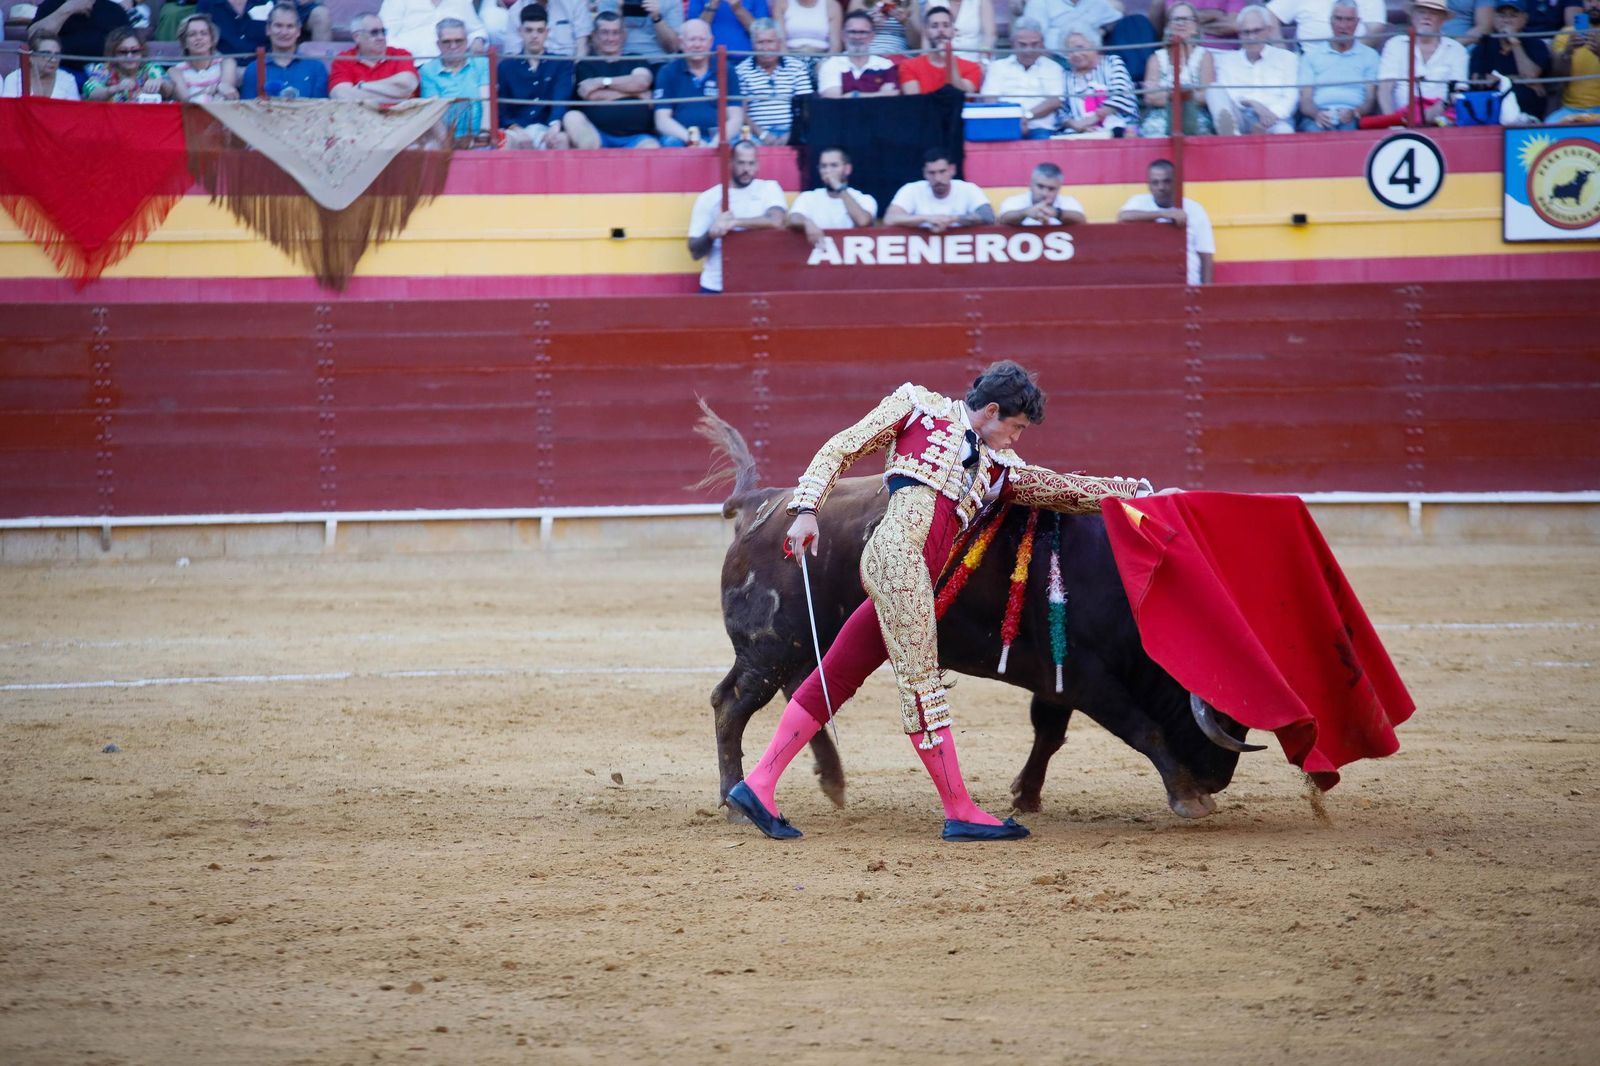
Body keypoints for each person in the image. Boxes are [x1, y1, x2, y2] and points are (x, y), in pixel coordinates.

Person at [726, 360, 1155, 842]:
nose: (1016, 439)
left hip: (911, 575)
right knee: (922, 687)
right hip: (898, 563)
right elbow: (841, 448)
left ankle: (758, 785)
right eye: (1014, 428)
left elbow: (1062, 489)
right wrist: (806, 511)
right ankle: (960, 809)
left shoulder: (998, 467)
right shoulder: (915, 407)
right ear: (991, 410)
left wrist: (1138, 494)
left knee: (838, 673)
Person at [687, 139, 788, 292]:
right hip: (716, 285)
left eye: (751, 163)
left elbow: (776, 221)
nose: (746, 169)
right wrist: (711, 234)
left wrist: (734, 222)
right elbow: (694, 252)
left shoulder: (769, 188)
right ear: (730, 163)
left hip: (759, 284)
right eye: (741, 163)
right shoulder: (709, 198)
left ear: (758, 164)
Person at [564, 12, 660, 146]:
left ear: (623, 35)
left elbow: (642, 82)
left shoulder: (636, 59)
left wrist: (601, 82)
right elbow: (593, 96)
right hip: (597, 136)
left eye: (616, 33)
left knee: (652, 147)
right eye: (605, 32)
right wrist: (636, 93)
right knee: (572, 118)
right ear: (594, 35)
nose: (610, 38)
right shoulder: (585, 64)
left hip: (636, 138)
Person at [1119, 158, 1215, 285]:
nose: (1161, 187)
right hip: (1148, 286)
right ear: (1148, 185)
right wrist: (1164, 214)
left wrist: (1206, 291)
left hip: (1189, 285)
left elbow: (1205, 253)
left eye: (1167, 181)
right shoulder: (1139, 202)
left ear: (1176, 182)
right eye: (1155, 182)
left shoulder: (1195, 209)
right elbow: (1123, 216)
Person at [1207, 4, 1299, 133]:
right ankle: (1231, 136)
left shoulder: (1288, 58)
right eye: (1246, 32)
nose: (1251, 37)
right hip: (1241, 116)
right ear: (1239, 34)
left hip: (1275, 119)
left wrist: (1270, 116)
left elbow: (1291, 97)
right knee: (1214, 89)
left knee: (1284, 131)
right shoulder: (1227, 60)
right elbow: (1229, 93)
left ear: (1268, 30)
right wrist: (1252, 103)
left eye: (1256, 31)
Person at [653, 18, 743, 145]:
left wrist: (718, 141)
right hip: (682, 138)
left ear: (711, 42)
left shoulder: (727, 69)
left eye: (702, 39)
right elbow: (662, 120)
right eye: (692, 40)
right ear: (681, 43)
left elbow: (736, 118)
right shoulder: (668, 71)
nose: (697, 45)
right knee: (671, 143)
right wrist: (693, 139)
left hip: (720, 137)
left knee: (746, 146)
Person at [1378, 0, 1469, 123]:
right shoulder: (1395, 44)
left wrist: (1427, 115)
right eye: (1422, 12)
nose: (1427, 17)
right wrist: (1392, 124)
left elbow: (1458, 94)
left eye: (1433, 13)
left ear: (1443, 19)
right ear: (1413, 16)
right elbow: (1384, 90)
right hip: (1400, 121)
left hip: (1442, 120)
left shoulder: (1457, 50)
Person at [497, 4, 575, 148]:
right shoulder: (506, 67)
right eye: (529, 30)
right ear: (520, 32)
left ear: (547, 32)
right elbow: (502, 110)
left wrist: (554, 126)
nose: (534, 36)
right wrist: (516, 129)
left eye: (540, 30)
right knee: (506, 142)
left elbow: (561, 98)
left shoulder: (561, 63)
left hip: (547, 127)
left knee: (561, 140)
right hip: (516, 129)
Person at [1296, 0, 1379, 130]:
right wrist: (1317, 114)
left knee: (1350, 130)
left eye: (1349, 20)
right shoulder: (1311, 56)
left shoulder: (1370, 56)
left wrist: (1355, 112)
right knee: (1313, 131)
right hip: (1319, 115)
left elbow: (1370, 99)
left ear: (1357, 23)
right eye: (1338, 19)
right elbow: (1305, 101)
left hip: (1353, 115)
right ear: (1331, 21)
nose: (1343, 25)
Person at [1140, 1, 1216, 136]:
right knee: (1153, 130)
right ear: (1168, 26)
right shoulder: (1156, 58)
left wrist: (1167, 95)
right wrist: (1188, 94)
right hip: (1160, 118)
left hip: (1196, 115)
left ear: (1196, 27)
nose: (1181, 23)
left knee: (1199, 130)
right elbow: (1150, 97)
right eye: (1176, 19)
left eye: (1187, 19)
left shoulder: (1205, 56)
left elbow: (1207, 96)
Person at [981, 16, 1066, 137]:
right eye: (1022, 44)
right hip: (1005, 125)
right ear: (1013, 43)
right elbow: (990, 99)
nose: (1028, 50)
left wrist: (1025, 117)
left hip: (1040, 127)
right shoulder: (998, 67)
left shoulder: (1053, 68)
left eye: (1034, 44)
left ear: (1042, 43)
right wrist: (1012, 122)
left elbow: (1055, 102)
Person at [1468, 0, 1551, 120]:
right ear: (1494, 18)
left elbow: (1530, 76)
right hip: (1491, 114)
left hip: (1529, 115)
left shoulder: (1536, 44)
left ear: (1525, 18)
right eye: (1502, 15)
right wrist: (1514, 79)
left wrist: (1514, 42)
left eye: (1513, 15)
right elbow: (1477, 79)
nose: (1506, 20)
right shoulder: (1483, 46)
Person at [735, 18, 813, 144]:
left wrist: (791, 134)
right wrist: (763, 135)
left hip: (793, 131)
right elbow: (741, 112)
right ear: (752, 44)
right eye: (760, 42)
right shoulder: (741, 71)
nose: (766, 48)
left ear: (779, 43)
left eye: (770, 42)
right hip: (756, 134)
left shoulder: (797, 67)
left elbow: (806, 106)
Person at [787, 146, 878, 245]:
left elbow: (863, 221)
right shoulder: (808, 197)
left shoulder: (864, 199)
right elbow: (793, 218)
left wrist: (839, 188)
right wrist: (806, 223)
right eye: (823, 166)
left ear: (847, 169)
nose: (827, 170)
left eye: (834, 165)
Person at [421, 17, 490, 144]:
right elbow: (433, 113)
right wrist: (449, 143)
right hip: (444, 139)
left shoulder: (482, 64)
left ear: (466, 42)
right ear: (438, 45)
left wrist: (484, 134)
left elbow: (487, 103)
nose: (453, 46)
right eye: (447, 42)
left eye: (459, 41)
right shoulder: (427, 70)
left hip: (479, 135)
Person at [886, 148, 994, 230]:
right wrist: (927, 219)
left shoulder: (968, 189)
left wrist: (952, 219)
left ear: (952, 170)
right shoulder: (911, 190)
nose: (937, 178)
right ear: (924, 173)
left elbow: (988, 216)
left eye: (942, 172)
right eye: (932, 173)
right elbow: (890, 219)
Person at [1057, 30, 1138, 135]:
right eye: (1070, 51)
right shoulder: (1065, 76)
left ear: (1095, 46)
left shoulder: (1112, 63)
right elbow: (1061, 111)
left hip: (1119, 127)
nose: (1076, 54)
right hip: (1078, 132)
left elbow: (1121, 95)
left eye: (1080, 48)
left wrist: (1090, 120)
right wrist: (1077, 126)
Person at [241, 3, 329, 99]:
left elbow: (321, 110)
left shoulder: (316, 68)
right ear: (268, 29)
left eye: (290, 26)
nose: (284, 32)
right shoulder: (254, 69)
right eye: (278, 26)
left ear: (298, 31)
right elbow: (248, 110)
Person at [328, 12, 420, 101]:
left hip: (401, 115)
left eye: (383, 31)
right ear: (357, 37)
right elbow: (341, 95)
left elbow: (407, 85)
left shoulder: (400, 54)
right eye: (374, 32)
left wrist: (362, 86)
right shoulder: (343, 59)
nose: (381, 37)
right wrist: (395, 94)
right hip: (359, 115)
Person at [197, 0, 331, 59]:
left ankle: (319, 75)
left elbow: (292, 18)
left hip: (266, 65)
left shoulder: (272, 0)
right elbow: (199, 34)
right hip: (227, 69)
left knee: (321, 13)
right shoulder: (208, 3)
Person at [897, 5, 983, 94]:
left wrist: (949, 60)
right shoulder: (909, 66)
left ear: (954, 31)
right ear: (926, 32)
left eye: (946, 25)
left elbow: (963, 96)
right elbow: (914, 101)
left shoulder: (973, 68)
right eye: (934, 26)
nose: (941, 30)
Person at [28, 0, 129, 75]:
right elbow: (33, 37)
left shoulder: (114, 10)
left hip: (105, 75)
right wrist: (69, 8)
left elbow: (129, 43)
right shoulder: (51, 5)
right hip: (60, 72)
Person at [818, 9, 901, 96]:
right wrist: (879, 94)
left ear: (872, 36)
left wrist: (853, 95)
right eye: (852, 32)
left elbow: (892, 97)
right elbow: (832, 99)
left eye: (863, 32)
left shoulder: (886, 65)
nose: (857, 37)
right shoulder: (831, 64)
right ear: (843, 35)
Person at [81, 25, 171, 99]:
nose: (129, 56)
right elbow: (91, 93)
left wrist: (161, 82)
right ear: (113, 53)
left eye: (135, 51)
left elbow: (170, 91)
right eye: (123, 52)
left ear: (142, 51)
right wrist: (116, 88)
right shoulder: (103, 69)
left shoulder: (151, 68)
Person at [169, 14, 240, 103]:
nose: (199, 38)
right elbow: (186, 101)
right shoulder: (176, 71)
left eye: (204, 33)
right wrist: (215, 88)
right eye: (192, 34)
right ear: (184, 43)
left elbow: (226, 93)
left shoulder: (226, 63)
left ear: (212, 40)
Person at [378, 0, 487, 58]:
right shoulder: (397, 2)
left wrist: (478, 40)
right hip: (414, 64)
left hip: (454, 65)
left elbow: (477, 30)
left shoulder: (461, 2)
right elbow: (385, 36)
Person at [1549, 0, 1600, 122]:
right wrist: (1568, 52)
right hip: (1570, 110)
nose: (1593, 5)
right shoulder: (1566, 34)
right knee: (1549, 125)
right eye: (1589, 1)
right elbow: (1558, 74)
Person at [483, 0, 590, 57]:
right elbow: (513, 54)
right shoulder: (516, 11)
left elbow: (582, 48)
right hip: (531, 73)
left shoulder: (575, 3)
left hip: (567, 71)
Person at [1266, 0, 1387, 47]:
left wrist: (1349, 53)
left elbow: (1375, 28)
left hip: (1355, 62)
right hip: (1309, 65)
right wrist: (1281, 50)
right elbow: (1269, 14)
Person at [998, 161, 1086, 224]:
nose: (1045, 193)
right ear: (1030, 185)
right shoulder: (1014, 201)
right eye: (1040, 186)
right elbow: (1002, 220)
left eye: (1051, 189)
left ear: (1058, 189)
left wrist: (1057, 213)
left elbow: (1081, 220)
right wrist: (1025, 213)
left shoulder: (1069, 202)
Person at [2, 27, 80, 99]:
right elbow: (9, 111)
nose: (53, 60)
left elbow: (75, 113)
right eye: (46, 54)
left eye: (57, 54)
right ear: (31, 56)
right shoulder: (14, 79)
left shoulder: (68, 80)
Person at [596, 0, 683, 57]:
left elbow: (673, 48)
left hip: (657, 59)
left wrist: (657, 18)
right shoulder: (609, 1)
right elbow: (603, 43)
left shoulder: (671, 2)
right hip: (620, 59)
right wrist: (619, 11)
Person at [686, 0, 772, 56]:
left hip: (746, 60)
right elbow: (694, 31)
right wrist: (713, 4)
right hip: (708, 60)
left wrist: (737, 8)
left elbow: (761, 34)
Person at [848, 0, 920, 56]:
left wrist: (905, 22)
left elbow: (917, 45)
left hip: (898, 54)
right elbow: (848, 35)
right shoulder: (859, 1)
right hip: (864, 52)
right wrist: (868, 24)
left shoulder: (910, 2)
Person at [774, 0, 840, 54]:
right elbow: (780, 41)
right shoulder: (781, 3)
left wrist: (827, 63)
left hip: (822, 56)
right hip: (791, 55)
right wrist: (788, 62)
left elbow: (835, 45)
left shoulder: (831, 5)